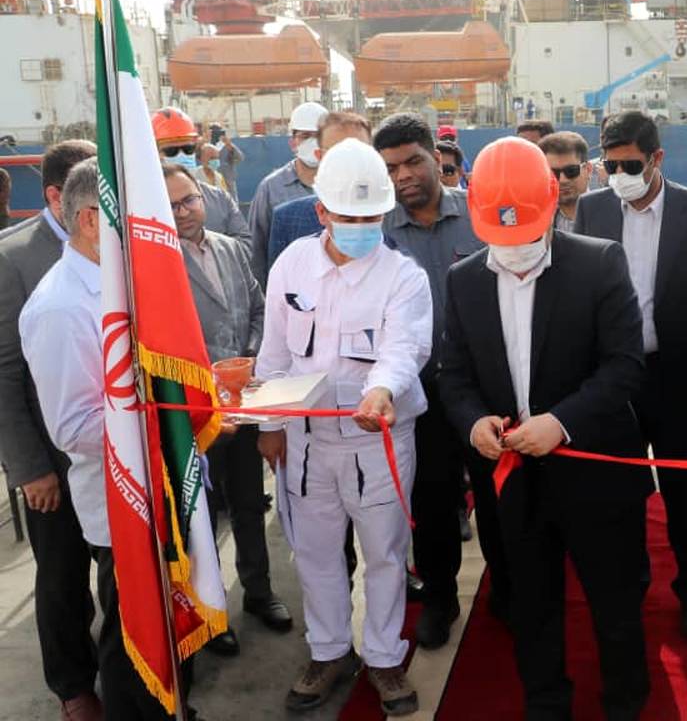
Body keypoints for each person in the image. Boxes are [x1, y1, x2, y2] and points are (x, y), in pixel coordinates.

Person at [439, 136, 653, 719]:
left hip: (595, 471)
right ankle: (546, 703)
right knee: (531, 602)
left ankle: (624, 702)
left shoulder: (599, 262)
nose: (513, 249)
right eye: (500, 235)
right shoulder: (463, 280)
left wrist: (561, 423)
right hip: (514, 478)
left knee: (614, 601)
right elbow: (454, 373)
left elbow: (625, 365)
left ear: (554, 203)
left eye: (525, 235)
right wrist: (473, 422)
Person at [255, 138, 432, 717]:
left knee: (384, 554)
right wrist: (269, 425)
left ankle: (383, 657)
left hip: (377, 441)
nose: (361, 229)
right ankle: (329, 651)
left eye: (371, 218)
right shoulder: (292, 265)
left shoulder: (403, 277)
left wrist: (383, 390)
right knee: (314, 553)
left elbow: (405, 347)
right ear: (322, 211)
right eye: (349, 218)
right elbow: (274, 353)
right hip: (306, 443)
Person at [20, 158, 198, 720]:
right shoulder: (60, 307)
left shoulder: (117, 281)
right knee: (133, 643)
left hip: (159, 485)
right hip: (123, 503)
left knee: (167, 627)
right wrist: (167, 419)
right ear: (93, 219)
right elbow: (72, 427)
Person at [574, 110, 687, 639]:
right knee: (619, 493)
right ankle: (628, 587)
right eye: (611, 164)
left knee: (681, 490)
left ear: (657, 158)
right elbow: (582, 296)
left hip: (674, 374)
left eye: (631, 165)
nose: (620, 175)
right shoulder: (593, 209)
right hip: (613, 377)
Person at [163, 164, 293, 657]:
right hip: (193, 415)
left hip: (245, 401)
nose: (183, 212)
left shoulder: (232, 249)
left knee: (248, 503)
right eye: (172, 205)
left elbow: (259, 309)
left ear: (205, 198)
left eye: (189, 200)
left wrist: (251, 358)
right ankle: (210, 612)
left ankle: (258, 592)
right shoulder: (156, 266)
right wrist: (210, 388)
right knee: (201, 516)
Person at [373, 113, 488, 649]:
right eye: (391, 168)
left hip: (484, 387)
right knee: (432, 501)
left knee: (497, 494)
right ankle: (440, 600)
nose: (403, 176)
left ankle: (511, 590)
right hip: (416, 393)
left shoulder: (480, 215)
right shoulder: (374, 233)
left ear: (436, 158)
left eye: (413, 162)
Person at [0, 140, 100, 720]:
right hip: (52, 455)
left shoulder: (112, 251)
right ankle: (74, 686)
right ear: (60, 196)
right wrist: (30, 468)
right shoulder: (13, 257)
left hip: (109, 447)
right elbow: (3, 373)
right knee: (63, 576)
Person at [266, 111, 372, 270]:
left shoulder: (395, 216)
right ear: (320, 156)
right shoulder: (288, 220)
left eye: (358, 152)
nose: (349, 161)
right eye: (338, 153)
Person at [248, 101, 329, 285]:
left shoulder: (343, 182)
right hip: (289, 289)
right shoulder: (271, 188)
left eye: (319, 136)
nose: (313, 143)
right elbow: (256, 249)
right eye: (305, 136)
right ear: (292, 142)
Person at [151, 107, 251, 251]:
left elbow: (245, 246)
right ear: (152, 152)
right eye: (171, 151)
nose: (182, 155)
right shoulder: (142, 204)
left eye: (188, 149)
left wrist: (207, 252)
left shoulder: (220, 199)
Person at [537, 131, 593, 232]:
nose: (563, 180)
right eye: (553, 173)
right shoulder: (539, 222)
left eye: (571, 171)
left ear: (588, 170)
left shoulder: (614, 212)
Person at [215, 127, 244, 197]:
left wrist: (230, 146)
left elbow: (240, 157)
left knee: (232, 196)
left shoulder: (229, 146)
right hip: (215, 177)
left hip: (229, 176)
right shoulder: (210, 146)